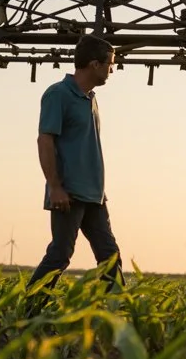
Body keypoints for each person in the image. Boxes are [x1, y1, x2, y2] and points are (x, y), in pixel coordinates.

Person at [28, 34, 125, 290]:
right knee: (60, 255)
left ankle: (116, 316)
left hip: (94, 195)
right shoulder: (58, 94)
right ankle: (26, 312)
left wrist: (100, 191)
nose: (112, 70)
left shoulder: (91, 97)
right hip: (68, 193)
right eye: (110, 64)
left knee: (110, 256)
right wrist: (55, 186)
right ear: (95, 65)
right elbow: (45, 140)